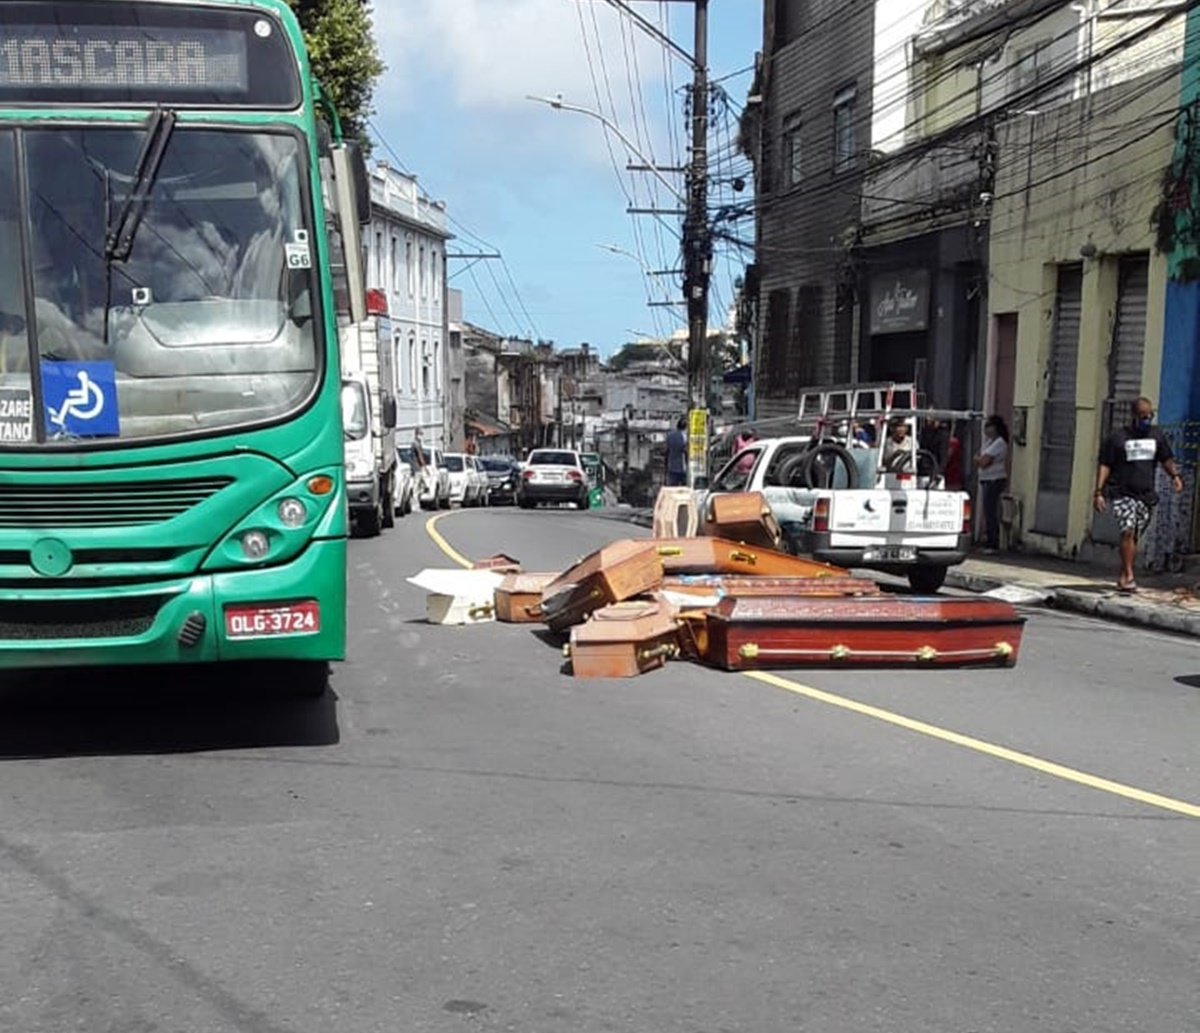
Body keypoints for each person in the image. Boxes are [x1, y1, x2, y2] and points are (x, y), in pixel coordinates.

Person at [1095, 397, 1184, 592]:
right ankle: (1129, 575)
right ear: (1134, 416)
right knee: (1127, 530)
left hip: (1145, 495)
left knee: (1133, 536)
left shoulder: (1156, 436)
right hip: (1121, 492)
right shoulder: (1118, 438)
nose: (1147, 420)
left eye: (1150, 416)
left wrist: (1175, 476)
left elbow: (1166, 458)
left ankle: (1123, 575)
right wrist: (1099, 492)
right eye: (1143, 416)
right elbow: (1105, 465)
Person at [974, 415, 1009, 551]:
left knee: (990, 512)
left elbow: (983, 462)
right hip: (986, 479)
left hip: (994, 480)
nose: (987, 430)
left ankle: (992, 543)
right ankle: (989, 540)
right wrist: (980, 459)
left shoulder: (1000, 443)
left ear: (996, 427)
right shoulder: (988, 442)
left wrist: (980, 460)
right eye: (986, 426)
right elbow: (979, 458)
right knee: (987, 511)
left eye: (990, 426)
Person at [665, 416, 688, 487]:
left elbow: (667, 451)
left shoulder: (669, 436)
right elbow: (686, 451)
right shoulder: (685, 437)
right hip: (683, 468)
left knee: (672, 488)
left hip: (672, 467)